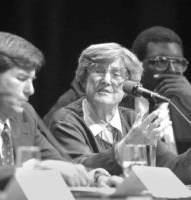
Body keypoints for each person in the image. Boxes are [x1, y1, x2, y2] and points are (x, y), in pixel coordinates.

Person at [45, 42, 191, 184]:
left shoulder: (133, 119)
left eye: (116, 74)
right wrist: (125, 148)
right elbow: (80, 167)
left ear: (129, 86)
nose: (107, 80)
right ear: (84, 79)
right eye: (98, 71)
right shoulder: (66, 120)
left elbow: (171, 168)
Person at [0, 31, 96, 188]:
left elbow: (61, 164)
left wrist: (97, 177)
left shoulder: (25, 114)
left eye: (32, 80)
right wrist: (32, 169)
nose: (30, 90)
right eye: (21, 78)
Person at [132, 26, 191, 154]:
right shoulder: (116, 106)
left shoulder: (186, 106)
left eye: (178, 62)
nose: (172, 70)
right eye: (161, 61)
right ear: (136, 65)